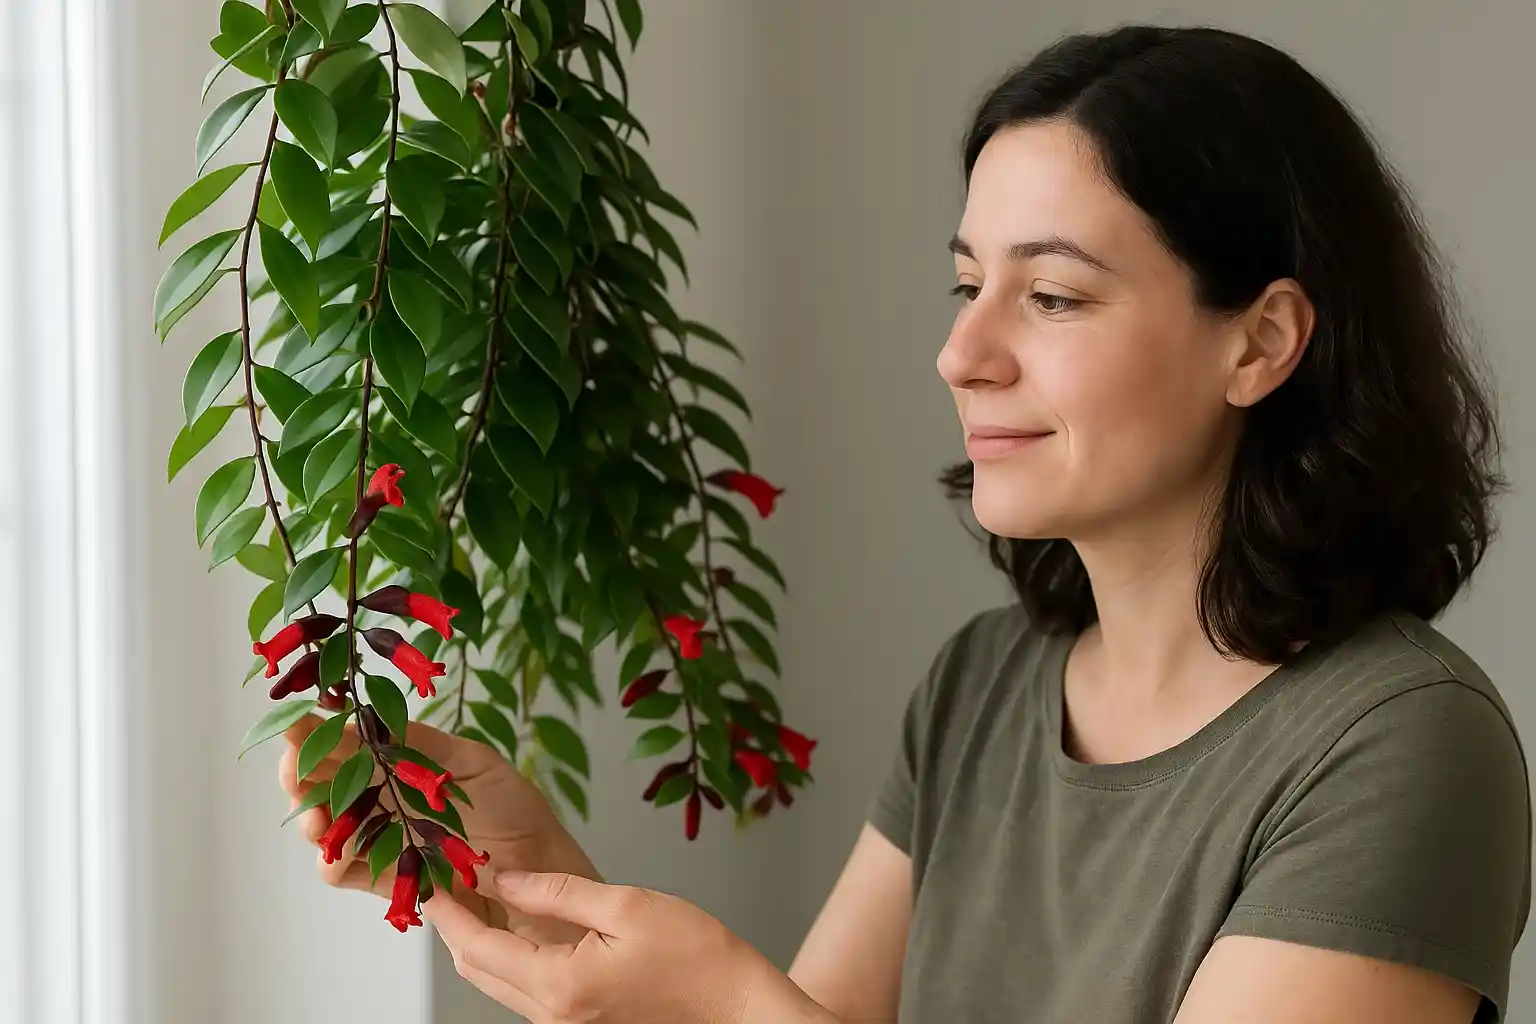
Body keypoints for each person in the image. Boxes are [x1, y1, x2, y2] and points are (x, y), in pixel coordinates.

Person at [277, 23, 1530, 1024]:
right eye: (966, 284)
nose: (960, 352)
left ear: (1259, 341)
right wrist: (523, 871)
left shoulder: (1400, 750)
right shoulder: (983, 686)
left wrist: (726, 1001)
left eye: (1049, 295)